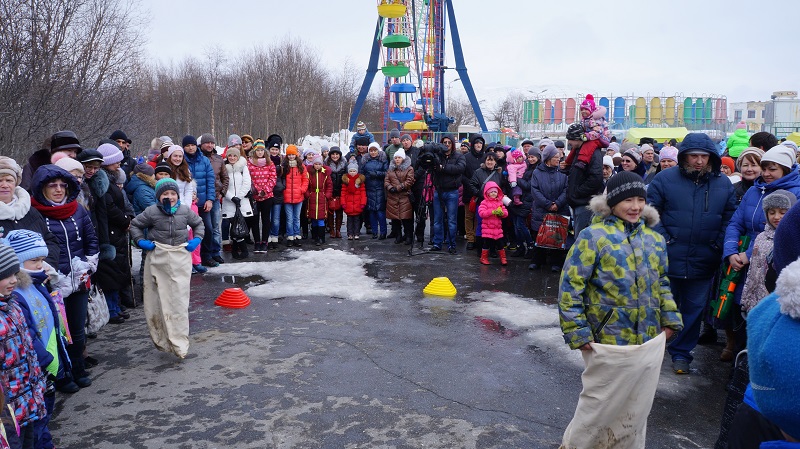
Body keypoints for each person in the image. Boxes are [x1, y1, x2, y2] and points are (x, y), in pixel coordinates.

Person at [558, 171, 683, 449]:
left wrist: (670, 319)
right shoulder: (594, 237)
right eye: (628, 200)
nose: (635, 206)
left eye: (640, 199)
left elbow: (662, 282)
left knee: (635, 408)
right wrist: (578, 332)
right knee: (598, 407)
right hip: (607, 340)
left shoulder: (655, 240)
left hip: (647, 339)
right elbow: (571, 287)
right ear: (612, 202)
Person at [647, 132, 736, 374]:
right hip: (668, 256)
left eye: (704, 156)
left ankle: (682, 353)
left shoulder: (722, 183)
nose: (698, 161)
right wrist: (665, 239)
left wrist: (717, 243)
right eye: (693, 156)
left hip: (704, 257)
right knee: (663, 305)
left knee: (694, 310)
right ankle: (654, 349)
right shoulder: (664, 179)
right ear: (684, 156)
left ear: (711, 158)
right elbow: (650, 212)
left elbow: (730, 217)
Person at [29, 164, 98, 391]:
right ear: (42, 188)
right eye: (52, 186)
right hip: (51, 280)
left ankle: (78, 368)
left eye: (62, 185)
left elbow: (91, 239)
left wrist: (88, 265)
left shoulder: (77, 209)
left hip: (77, 278)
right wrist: (47, 273)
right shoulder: (34, 212)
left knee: (77, 328)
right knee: (55, 331)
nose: (59, 190)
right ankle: (62, 375)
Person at [4, 230, 70, 448]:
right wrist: (45, 360)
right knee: (29, 434)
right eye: (35, 260)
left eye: (42, 259)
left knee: (39, 427)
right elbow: (29, 335)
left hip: (35, 379)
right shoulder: (17, 296)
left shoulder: (32, 287)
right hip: (20, 386)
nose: (41, 265)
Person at [130, 178, 203, 359]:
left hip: (180, 257)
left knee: (178, 300)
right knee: (156, 299)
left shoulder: (185, 210)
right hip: (158, 257)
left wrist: (197, 239)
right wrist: (140, 241)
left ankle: (180, 343)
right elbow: (135, 225)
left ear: (177, 195)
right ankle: (162, 339)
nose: (169, 197)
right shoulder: (152, 212)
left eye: (172, 193)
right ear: (159, 196)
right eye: (165, 194)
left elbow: (199, 224)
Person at [0, 243, 46, 449]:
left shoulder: (13, 304)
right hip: (7, 408)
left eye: (14, 273)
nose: (13, 280)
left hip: (27, 399)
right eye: (4, 276)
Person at [94, 143, 135, 323]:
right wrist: (125, 220)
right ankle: (111, 308)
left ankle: (116, 305)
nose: (119, 164)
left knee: (118, 268)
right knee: (111, 271)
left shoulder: (112, 180)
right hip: (110, 230)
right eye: (115, 161)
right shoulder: (103, 183)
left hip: (117, 229)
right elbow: (109, 207)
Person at [740, 190, 795, 313]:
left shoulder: (793, 239)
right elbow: (752, 273)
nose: (776, 217)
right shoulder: (761, 237)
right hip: (757, 303)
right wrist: (746, 300)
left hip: (779, 305)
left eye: (783, 212)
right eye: (771, 212)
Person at [0, 157, 60, 267]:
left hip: (39, 277)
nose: (4, 185)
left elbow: (50, 241)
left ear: (15, 183)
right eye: (0, 180)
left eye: (9, 180)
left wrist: (46, 266)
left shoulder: (30, 211)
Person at [529, 144, 569, 271]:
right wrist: (547, 204)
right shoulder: (537, 172)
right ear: (548, 158)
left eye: (559, 156)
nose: (558, 159)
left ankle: (556, 263)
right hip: (542, 209)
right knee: (540, 234)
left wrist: (558, 203)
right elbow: (535, 190)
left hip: (559, 208)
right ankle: (537, 261)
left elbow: (566, 189)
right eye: (555, 157)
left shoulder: (563, 172)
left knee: (557, 235)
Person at [564, 123, 605, 236]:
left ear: (577, 138)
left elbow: (596, 178)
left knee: (582, 239)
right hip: (579, 202)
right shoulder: (579, 151)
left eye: (570, 139)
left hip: (584, 203)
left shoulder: (592, 152)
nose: (569, 143)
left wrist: (577, 192)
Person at [198, 133, 228, 267]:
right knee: (204, 227)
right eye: (207, 143)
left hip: (215, 197)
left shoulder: (218, 159)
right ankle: (205, 254)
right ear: (201, 144)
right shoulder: (198, 158)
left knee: (215, 227)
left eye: (212, 143)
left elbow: (225, 178)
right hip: (200, 198)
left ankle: (216, 252)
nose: (210, 145)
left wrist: (222, 192)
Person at [432, 135, 466, 253]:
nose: (446, 144)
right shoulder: (437, 156)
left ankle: (452, 244)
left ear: (452, 144)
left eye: (449, 142)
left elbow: (459, 168)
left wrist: (443, 167)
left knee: (451, 220)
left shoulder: (459, 156)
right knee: (437, 220)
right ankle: (437, 243)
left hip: (452, 191)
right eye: (444, 142)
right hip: (438, 190)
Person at [221, 148, 252, 260]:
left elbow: (247, 183)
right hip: (229, 202)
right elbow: (222, 184)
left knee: (239, 225)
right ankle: (240, 249)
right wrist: (231, 197)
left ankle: (240, 249)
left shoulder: (243, 168)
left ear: (238, 157)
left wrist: (239, 197)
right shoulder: (223, 167)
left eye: (234, 156)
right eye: (230, 156)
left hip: (241, 201)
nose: (232, 158)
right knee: (232, 225)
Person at [247, 139, 277, 253]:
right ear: (254, 151)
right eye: (258, 150)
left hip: (267, 196)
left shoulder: (270, 163)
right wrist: (254, 190)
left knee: (266, 220)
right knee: (254, 220)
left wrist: (265, 190)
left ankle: (265, 242)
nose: (260, 152)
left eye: (261, 150)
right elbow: (248, 178)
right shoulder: (249, 163)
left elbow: (273, 178)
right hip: (254, 197)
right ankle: (257, 242)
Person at [384, 148, 415, 245]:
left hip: (404, 196)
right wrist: (389, 188)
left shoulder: (409, 169)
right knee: (395, 219)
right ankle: (398, 236)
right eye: (396, 158)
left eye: (399, 157)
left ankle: (408, 236)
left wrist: (397, 188)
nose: (397, 159)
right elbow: (386, 180)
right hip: (392, 197)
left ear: (403, 158)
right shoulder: (390, 169)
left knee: (406, 218)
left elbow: (409, 181)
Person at [280, 145, 309, 247]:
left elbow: (305, 180)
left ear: (296, 155)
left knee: (296, 218)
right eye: (289, 155)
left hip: (299, 196)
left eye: (293, 154)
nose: (291, 156)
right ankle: (290, 236)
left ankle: (297, 236)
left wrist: (302, 189)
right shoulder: (284, 167)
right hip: (287, 197)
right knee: (289, 218)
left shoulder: (301, 166)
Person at [462, 134, 486, 250]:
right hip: (468, 191)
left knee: (479, 216)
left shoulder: (485, 157)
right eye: (476, 143)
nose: (478, 145)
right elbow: (462, 174)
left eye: (480, 143)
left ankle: (478, 238)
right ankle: (470, 239)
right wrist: (470, 184)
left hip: (481, 192)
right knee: (468, 216)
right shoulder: (466, 157)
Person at [360, 142, 389, 239]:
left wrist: (376, 174)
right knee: (371, 212)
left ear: (378, 151)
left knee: (380, 212)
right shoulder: (365, 161)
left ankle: (383, 232)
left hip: (380, 188)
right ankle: (374, 232)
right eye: (371, 151)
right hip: (369, 189)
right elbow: (361, 173)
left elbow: (387, 173)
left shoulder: (383, 160)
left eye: (375, 150)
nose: (373, 153)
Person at [477, 181, 508, 266]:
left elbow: (506, 213)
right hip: (487, 229)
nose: (493, 193)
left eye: (495, 192)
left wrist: (502, 213)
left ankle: (503, 258)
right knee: (486, 244)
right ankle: (483, 258)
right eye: (491, 192)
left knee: (500, 244)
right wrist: (492, 211)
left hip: (497, 229)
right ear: (487, 193)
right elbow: (481, 213)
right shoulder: (484, 202)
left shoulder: (500, 202)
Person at [305, 155, 332, 246]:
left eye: (319, 164)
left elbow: (329, 186)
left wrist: (326, 195)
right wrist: (308, 194)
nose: (317, 166)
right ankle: (315, 236)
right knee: (313, 219)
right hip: (312, 198)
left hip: (321, 198)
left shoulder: (325, 174)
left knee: (321, 219)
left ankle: (321, 237)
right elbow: (307, 185)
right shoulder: (309, 173)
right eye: (315, 164)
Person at [325, 147, 347, 239]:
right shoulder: (326, 164)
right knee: (330, 211)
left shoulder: (344, 164)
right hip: (330, 190)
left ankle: (338, 230)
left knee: (339, 211)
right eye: (333, 154)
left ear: (340, 155)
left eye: (337, 154)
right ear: (330, 155)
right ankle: (332, 230)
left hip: (341, 190)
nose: (335, 156)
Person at [341, 162, 366, 240]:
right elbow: (343, 194)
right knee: (349, 221)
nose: (352, 173)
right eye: (351, 171)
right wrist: (343, 203)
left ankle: (356, 233)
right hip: (348, 205)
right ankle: (350, 234)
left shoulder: (360, 182)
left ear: (357, 171)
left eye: (354, 171)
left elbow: (363, 194)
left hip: (357, 204)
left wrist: (363, 203)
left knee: (357, 221)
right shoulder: (346, 182)